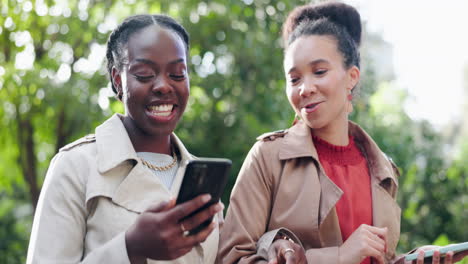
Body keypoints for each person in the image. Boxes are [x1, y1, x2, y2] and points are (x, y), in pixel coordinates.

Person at [217, 2, 467, 264]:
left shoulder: (382, 171)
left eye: (319, 72)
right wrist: (340, 256)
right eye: (294, 79)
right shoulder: (268, 157)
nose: (305, 88)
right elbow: (231, 259)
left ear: (352, 76)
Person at [26, 14, 223, 264]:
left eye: (177, 74)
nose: (163, 86)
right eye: (144, 74)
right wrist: (130, 248)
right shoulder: (76, 166)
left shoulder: (201, 176)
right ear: (118, 80)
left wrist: (273, 242)